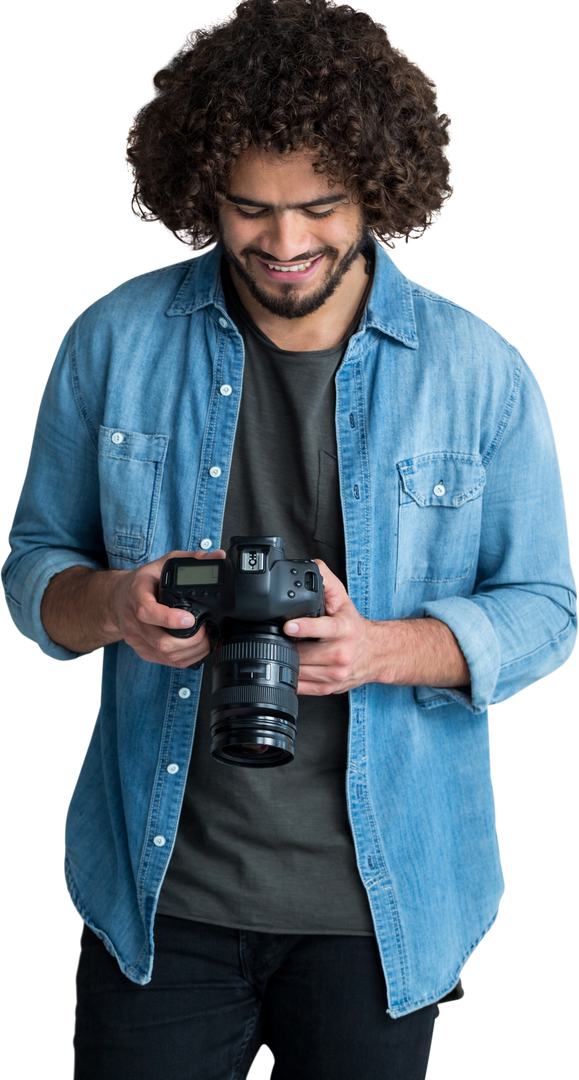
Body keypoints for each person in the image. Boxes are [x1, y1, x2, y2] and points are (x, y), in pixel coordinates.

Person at [2, 1, 577, 1077]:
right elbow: (32, 570)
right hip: (158, 890)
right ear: (200, 190)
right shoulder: (112, 340)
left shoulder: (479, 369)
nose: (285, 243)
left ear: (379, 187)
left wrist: (383, 649)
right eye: (249, 210)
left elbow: (547, 609)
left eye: (320, 207)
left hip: (386, 904)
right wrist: (116, 607)